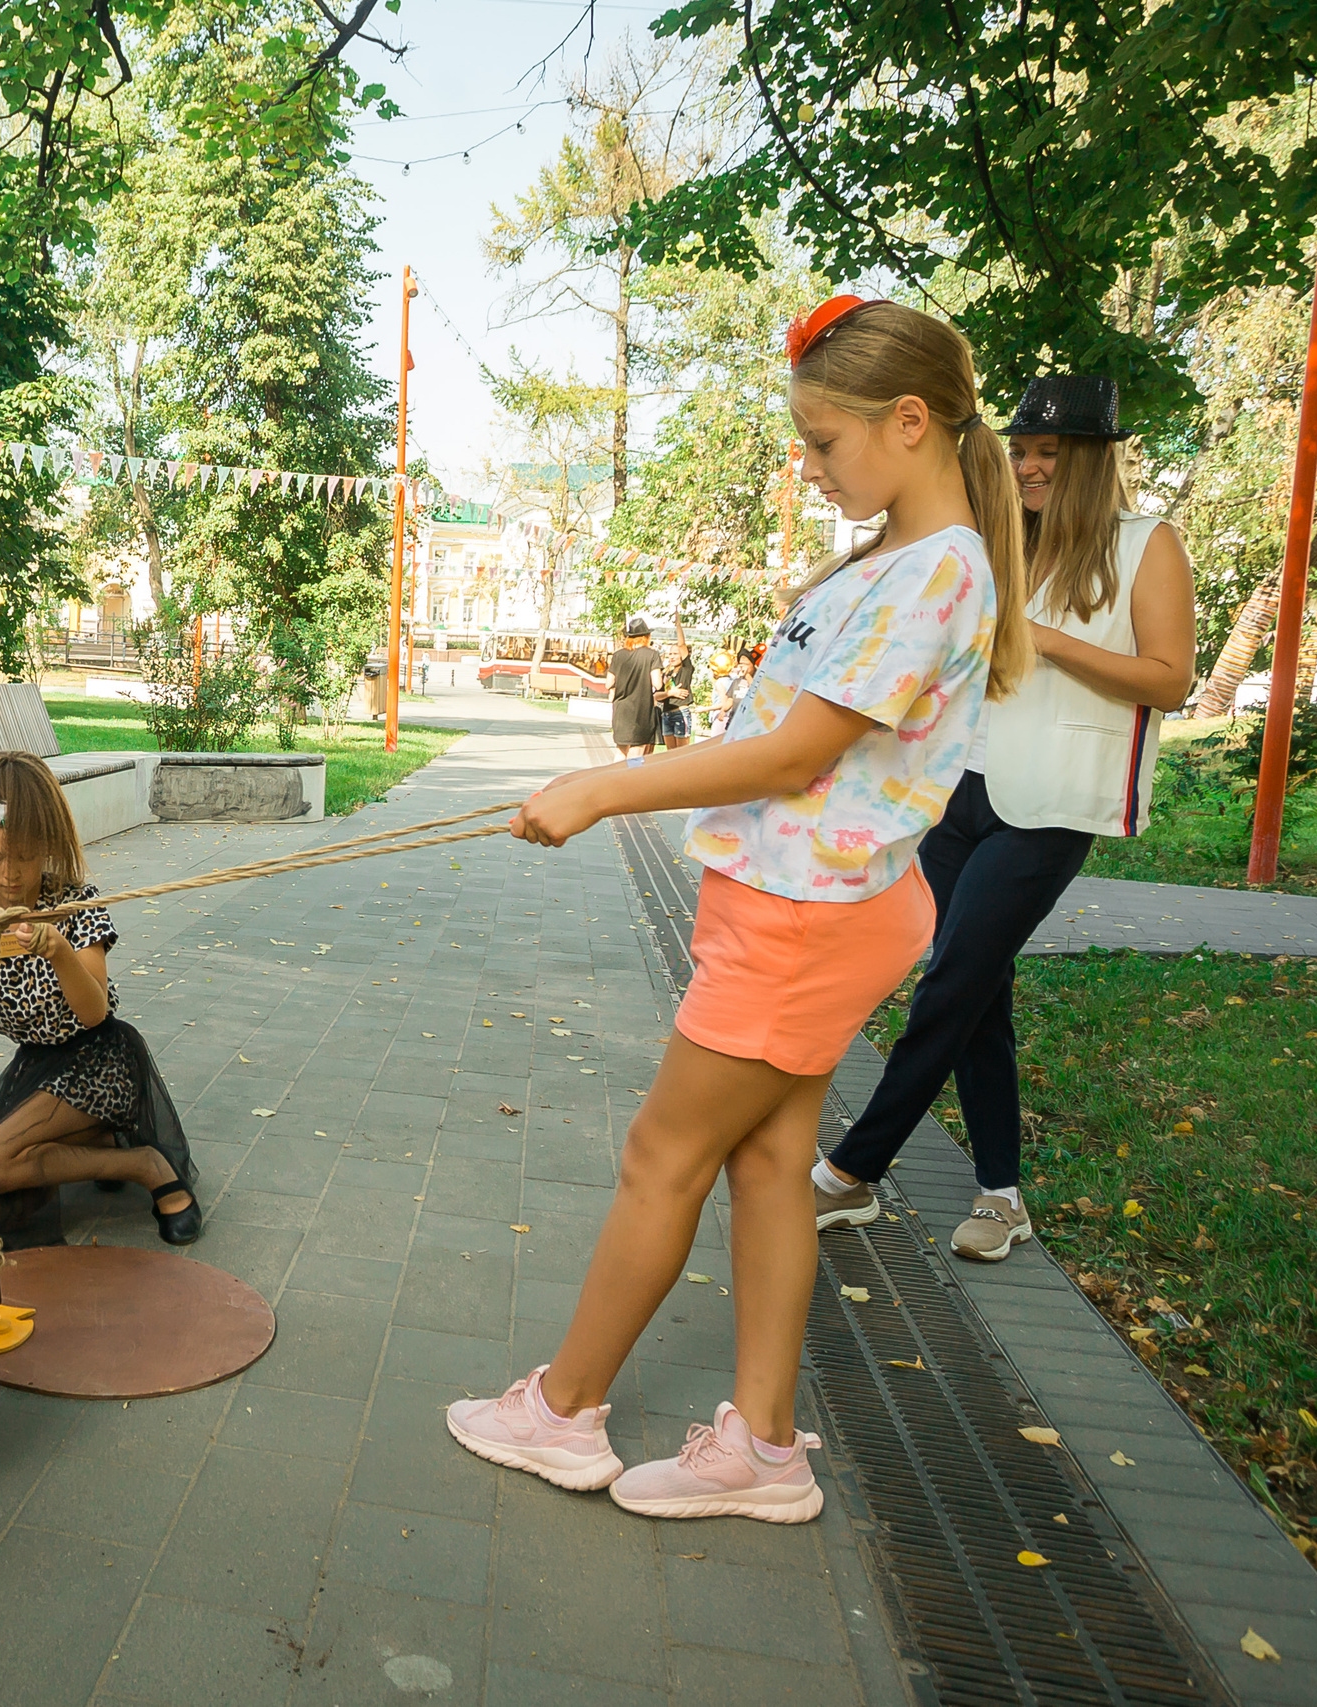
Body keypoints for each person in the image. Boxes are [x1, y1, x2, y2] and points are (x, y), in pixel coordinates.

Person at [443, 296, 1031, 1522]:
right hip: (799, 906)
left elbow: (787, 759)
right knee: (768, 1165)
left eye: (825, 444)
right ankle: (764, 1450)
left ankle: (560, 1413)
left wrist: (605, 787)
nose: (812, 469)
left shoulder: (935, 574)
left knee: (663, 1156)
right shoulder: (894, 562)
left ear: (910, 422)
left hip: (804, 918)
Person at [815, 375, 1194, 1260]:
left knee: (952, 976)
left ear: (1095, 461)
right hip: (961, 789)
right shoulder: (997, 545)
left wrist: (1044, 636)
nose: (1027, 466)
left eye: (1048, 454)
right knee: (979, 989)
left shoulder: (1146, 544)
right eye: (1021, 450)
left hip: (1054, 799)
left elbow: (1170, 677)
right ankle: (1001, 1193)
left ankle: (851, 1172)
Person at [0, 753, 201, 1246]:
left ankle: (147, 1163)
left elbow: (96, 1011)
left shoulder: (75, 904)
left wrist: (58, 950)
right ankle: (109, 1144)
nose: (11, 874)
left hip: (98, 1057)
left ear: (49, 849)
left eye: (26, 857)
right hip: (35, 1068)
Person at [608, 615, 661, 761]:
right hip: (642, 710)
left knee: (620, 751)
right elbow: (657, 683)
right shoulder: (652, 655)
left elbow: (608, 683)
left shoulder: (618, 655)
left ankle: (615, 780)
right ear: (646, 637)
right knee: (636, 753)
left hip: (621, 709)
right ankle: (631, 782)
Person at [655, 638, 697, 750]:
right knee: (670, 753)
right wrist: (670, 693)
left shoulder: (686, 669)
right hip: (666, 715)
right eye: (670, 654)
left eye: (675, 654)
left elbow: (682, 644)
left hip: (680, 713)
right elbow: (656, 696)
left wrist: (678, 624)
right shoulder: (667, 673)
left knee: (681, 752)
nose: (672, 657)